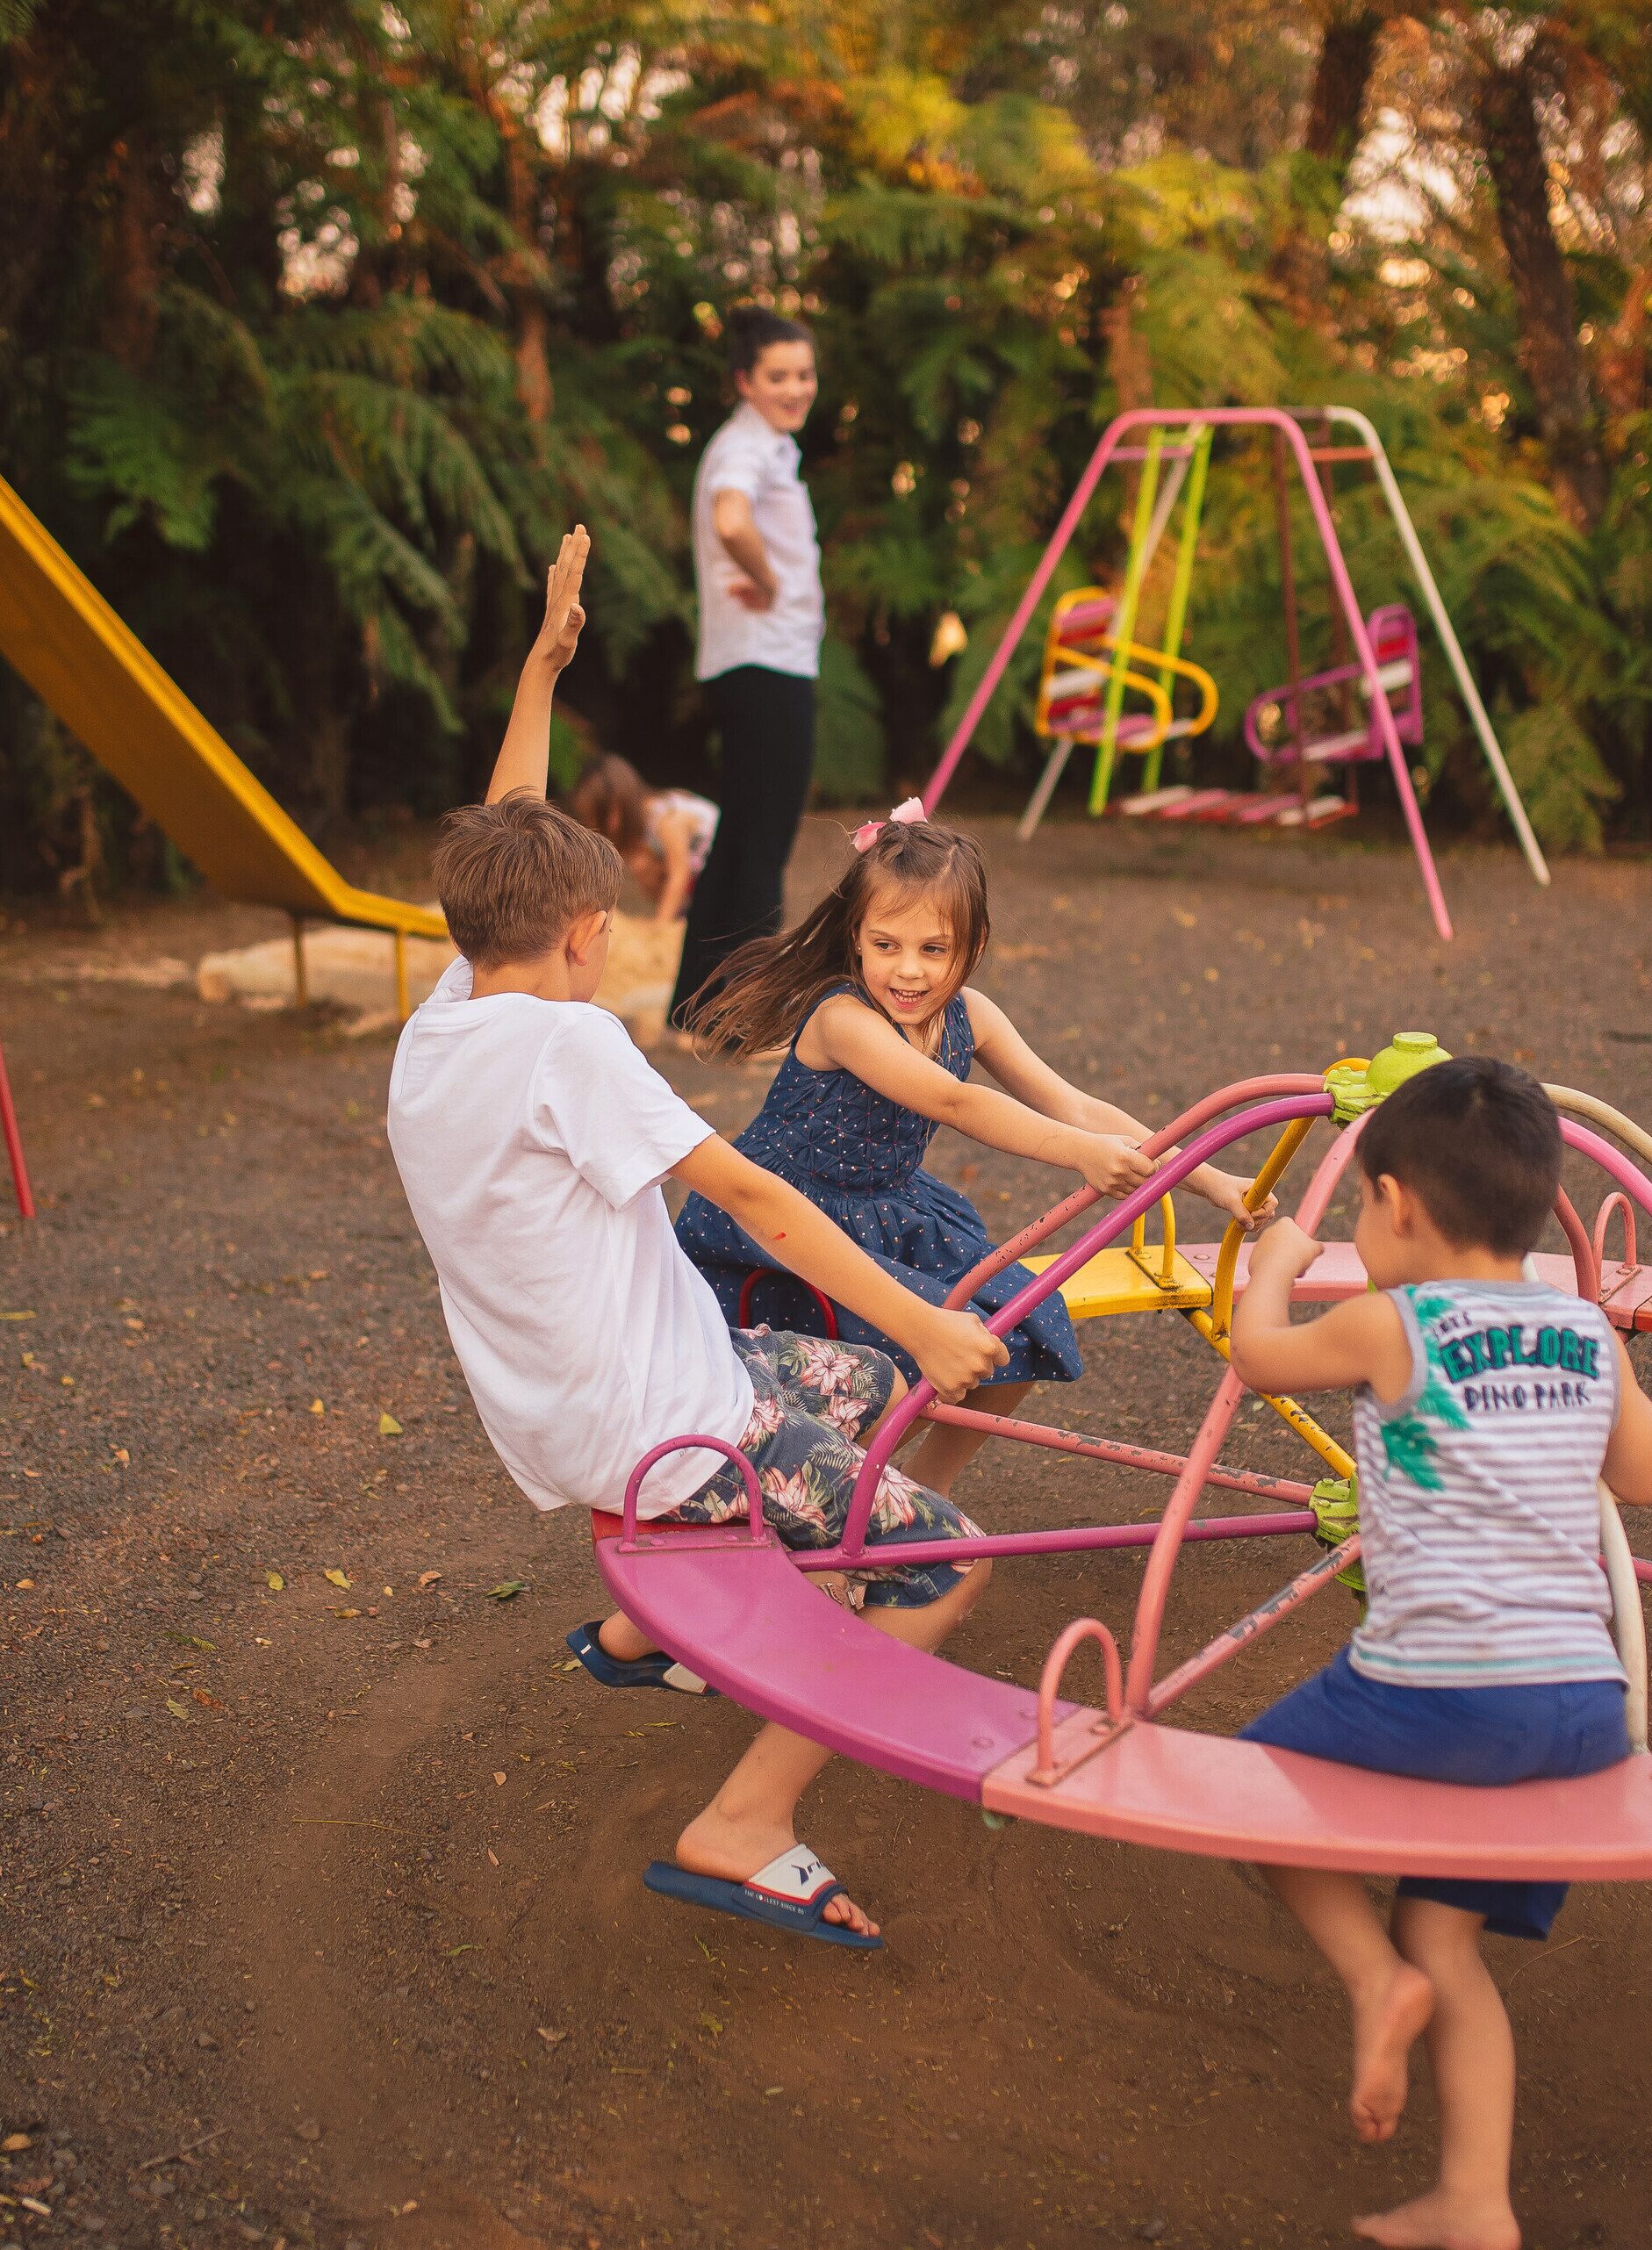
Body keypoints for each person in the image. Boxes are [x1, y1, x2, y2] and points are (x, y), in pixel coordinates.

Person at [386, 524, 1009, 1952]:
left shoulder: (449, 1019)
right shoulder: (570, 1045)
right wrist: (921, 1313)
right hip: (675, 1420)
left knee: (873, 1398)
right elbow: (764, 1201)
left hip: (611, 1397)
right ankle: (747, 1820)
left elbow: (507, 825)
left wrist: (545, 670)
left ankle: (702, 1614)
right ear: (589, 932)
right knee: (957, 1557)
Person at [1225, 1056, 1652, 2250]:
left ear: (1398, 1204)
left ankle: (1374, 1980)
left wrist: (1273, 1268)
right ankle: (1476, 2199)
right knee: (1450, 1936)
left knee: (1244, 1796)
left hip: (1438, 1686)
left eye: (1366, 1210)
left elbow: (1257, 1359)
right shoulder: (1582, 1328)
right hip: (1582, 1702)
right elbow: (1649, 1472)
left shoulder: (1393, 1318)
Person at [672, 808, 1268, 1497]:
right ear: (855, 939)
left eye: (934, 949)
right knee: (881, 1374)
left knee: (1022, 1328)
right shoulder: (844, 1020)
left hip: (889, 1213)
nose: (908, 970)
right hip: (788, 1225)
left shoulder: (972, 1016)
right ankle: (829, 1510)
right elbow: (958, 1103)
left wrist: (1208, 1177)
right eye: (886, 944)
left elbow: (1074, 1104)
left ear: (973, 945)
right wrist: (1079, 1154)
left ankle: (920, 1495)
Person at [666, 306, 824, 1032]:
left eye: (804, 373)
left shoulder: (762, 445)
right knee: (764, 839)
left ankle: (695, 1005)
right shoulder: (746, 448)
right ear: (744, 382)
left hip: (754, 660)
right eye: (778, 376)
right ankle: (754, 1012)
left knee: (740, 837)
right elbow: (732, 521)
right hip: (767, 661)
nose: (796, 388)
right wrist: (764, 577)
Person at [568, 751, 718, 923]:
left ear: (620, 803)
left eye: (603, 816)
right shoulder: (641, 838)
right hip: (703, 883)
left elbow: (679, 875)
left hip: (724, 873)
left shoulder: (665, 818)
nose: (601, 828)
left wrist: (658, 928)